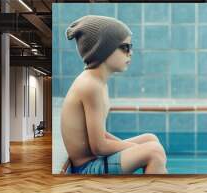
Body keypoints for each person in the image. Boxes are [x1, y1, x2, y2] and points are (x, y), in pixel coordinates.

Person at [61, 15, 168, 175]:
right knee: (154, 151)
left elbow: (100, 135)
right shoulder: (91, 86)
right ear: (104, 49)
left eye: (131, 47)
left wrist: (138, 149)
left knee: (150, 140)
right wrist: (138, 149)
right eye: (125, 47)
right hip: (86, 168)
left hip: (93, 160)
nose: (130, 53)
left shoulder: (98, 82)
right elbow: (99, 146)